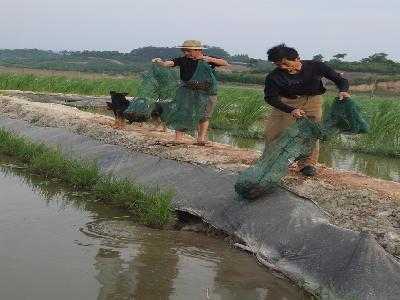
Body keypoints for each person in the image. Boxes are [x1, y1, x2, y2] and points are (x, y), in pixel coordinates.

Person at [264, 44, 350, 176]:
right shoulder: (274, 77)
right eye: (278, 65)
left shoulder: (316, 66)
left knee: (311, 133)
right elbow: (270, 98)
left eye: (286, 64)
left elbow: (340, 80)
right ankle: (270, 162)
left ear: (297, 59)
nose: (282, 67)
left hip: (313, 101)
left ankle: (307, 164)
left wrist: (343, 91)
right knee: (274, 132)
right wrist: (291, 109)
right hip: (287, 102)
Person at [152, 40, 229, 145]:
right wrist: (160, 62)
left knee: (204, 116)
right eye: (184, 51)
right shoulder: (183, 60)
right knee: (182, 113)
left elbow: (225, 63)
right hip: (187, 91)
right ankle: (178, 139)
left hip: (206, 91)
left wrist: (208, 59)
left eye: (188, 51)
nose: (186, 53)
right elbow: (168, 63)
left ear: (198, 50)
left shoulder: (208, 59)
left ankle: (200, 139)